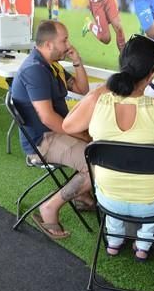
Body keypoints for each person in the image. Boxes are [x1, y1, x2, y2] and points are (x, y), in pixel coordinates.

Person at [62, 35, 154, 259]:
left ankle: (115, 240)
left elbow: (68, 125)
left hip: (108, 200)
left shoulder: (98, 101)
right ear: (153, 72)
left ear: (122, 63)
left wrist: (98, 91)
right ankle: (148, 242)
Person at [11, 20, 93, 240]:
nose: (68, 45)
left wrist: (77, 61)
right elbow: (48, 118)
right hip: (43, 141)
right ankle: (49, 208)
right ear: (48, 44)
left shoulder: (50, 65)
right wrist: (80, 134)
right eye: (64, 40)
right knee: (96, 163)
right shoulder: (35, 70)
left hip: (55, 133)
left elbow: (82, 89)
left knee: (99, 145)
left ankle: (83, 196)